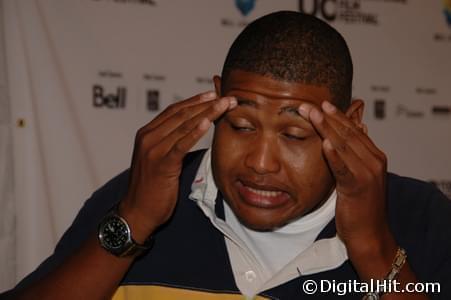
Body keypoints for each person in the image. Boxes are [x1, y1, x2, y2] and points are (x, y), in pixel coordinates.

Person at [2, 10, 450, 300]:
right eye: (241, 125)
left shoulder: (419, 216)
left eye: (295, 134)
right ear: (217, 99)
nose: (259, 162)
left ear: (350, 122)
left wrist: (374, 251)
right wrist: (134, 220)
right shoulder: (142, 195)